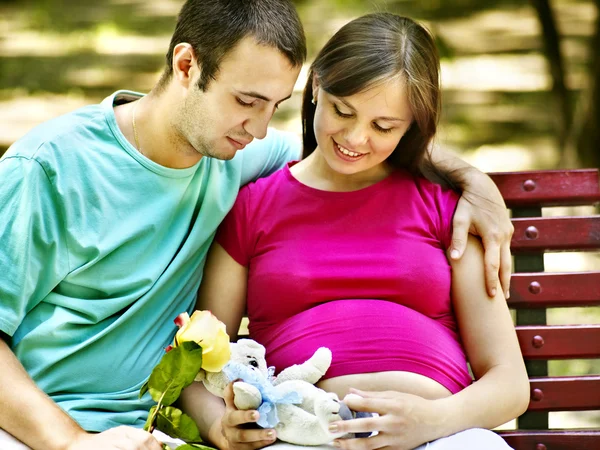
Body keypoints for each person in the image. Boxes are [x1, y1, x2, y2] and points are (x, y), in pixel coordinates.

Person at [0, 1, 512, 450]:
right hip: (42, 427)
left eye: (276, 107)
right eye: (247, 102)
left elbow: (357, 152)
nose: (261, 128)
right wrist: (69, 442)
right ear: (185, 65)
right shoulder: (50, 169)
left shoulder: (236, 152)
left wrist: (474, 181)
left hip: (154, 431)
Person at [184, 12, 529, 450]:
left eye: (383, 127)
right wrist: (219, 425)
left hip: (443, 433)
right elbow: (199, 363)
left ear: (411, 127)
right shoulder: (254, 206)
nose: (354, 137)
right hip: (302, 435)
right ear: (316, 90)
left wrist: (431, 421)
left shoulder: (448, 209)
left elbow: (510, 382)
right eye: (341, 111)